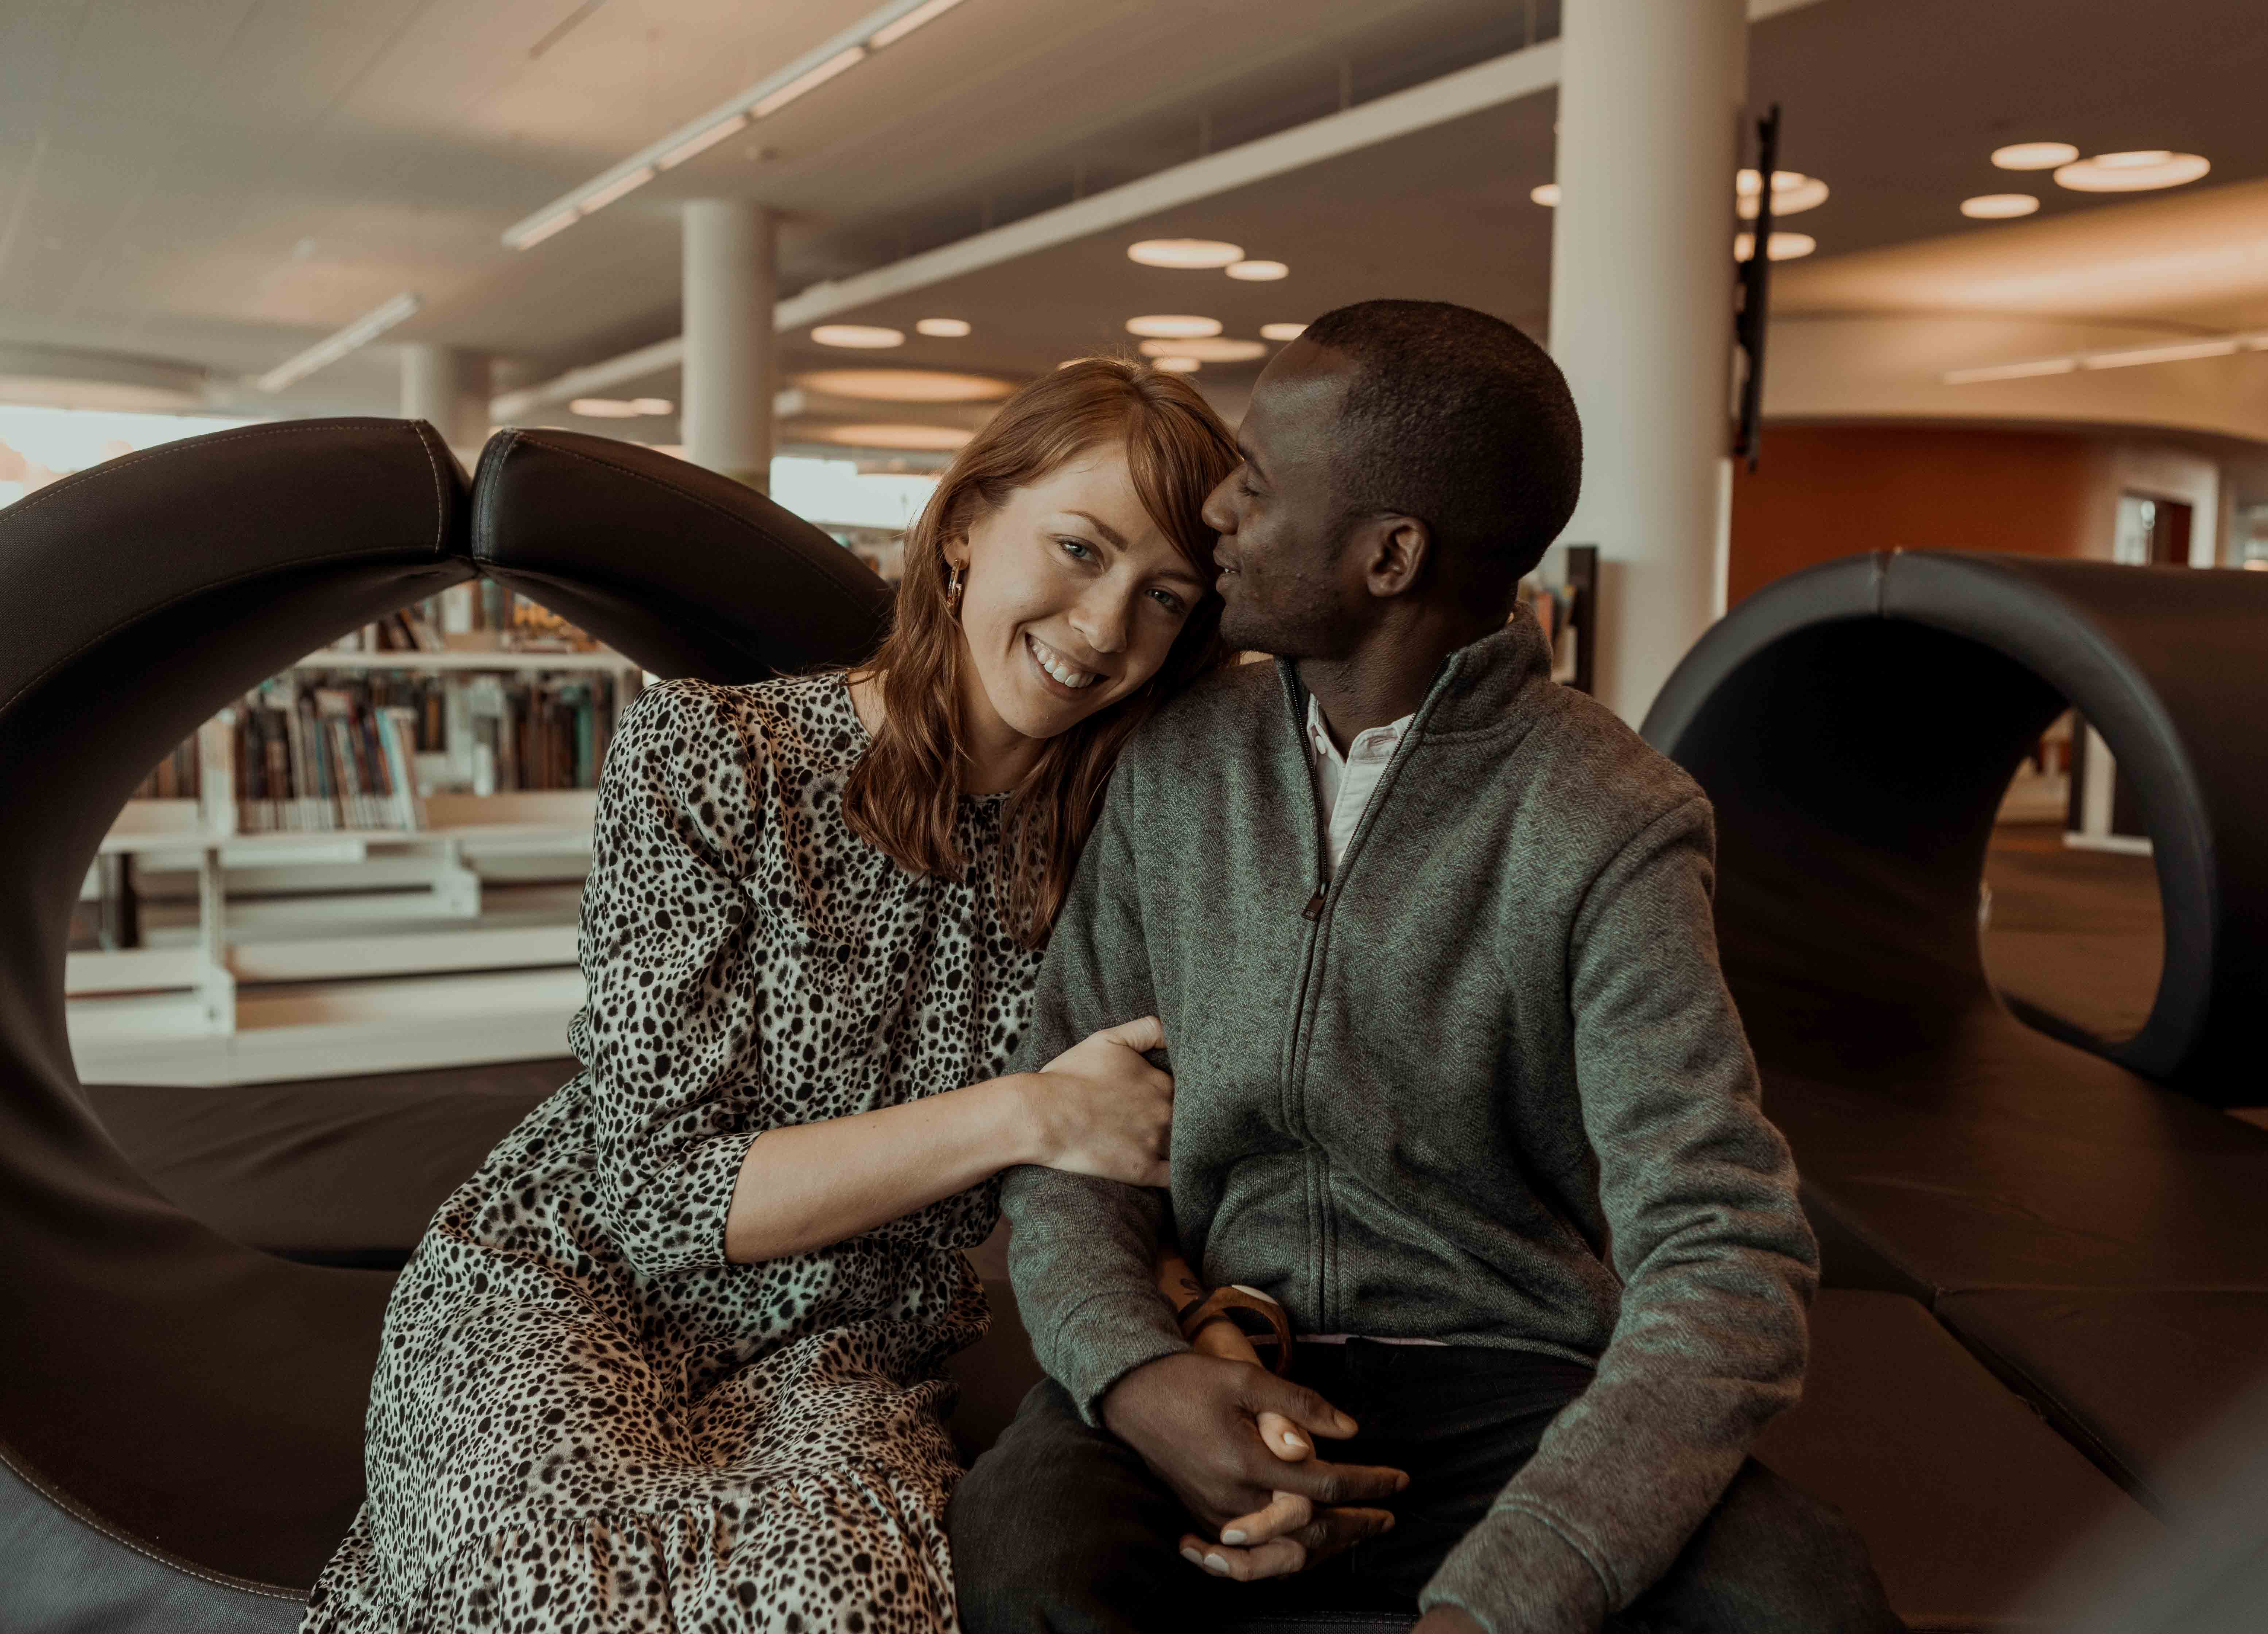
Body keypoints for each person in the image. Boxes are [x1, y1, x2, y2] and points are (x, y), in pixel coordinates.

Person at [951, 301, 1900, 1634]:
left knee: (1801, 1601)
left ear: (1391, 555)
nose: (1217, 509)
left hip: (1513, 1380)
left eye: (1261, 484)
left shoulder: (1611, 816)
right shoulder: (1174, 763)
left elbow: (1725, 1249)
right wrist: (1137, 1377)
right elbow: (1074, 1145)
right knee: (1020, 1559)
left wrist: (1504, 1602)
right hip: (1218, 1346)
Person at [300, 357, 1239, 1634]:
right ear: (965, 528)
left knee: (847, 1602)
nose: (1104, 623)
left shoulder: (1124, 847)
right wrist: (1025, 1113)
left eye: (1164, 596)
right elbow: (664, 1197)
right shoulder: (710, 754)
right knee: (561, 1591)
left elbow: (1141, 1140)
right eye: (1079, 548)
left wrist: (1203, 1322)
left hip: (850, 1350)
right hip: (571, 1285)